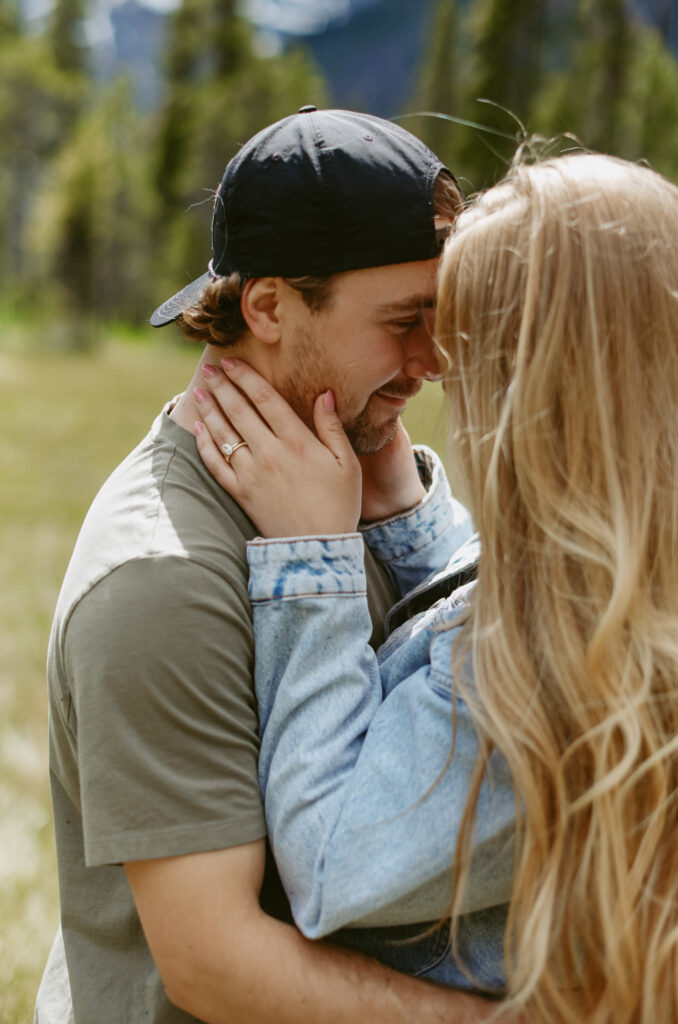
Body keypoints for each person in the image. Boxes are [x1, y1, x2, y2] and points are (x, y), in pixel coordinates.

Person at [35, 106, 516, 1024]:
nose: (436, 360)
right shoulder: (162, 581)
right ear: (266, 306)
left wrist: (399, 515)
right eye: (406, 321)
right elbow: (217, 967)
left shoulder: (351, 484)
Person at [193, 150, 678, 1022]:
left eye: (462, 337)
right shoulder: (631, 595)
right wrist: (403, 518)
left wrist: (312, 555)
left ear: (537, 392)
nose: (436, 367)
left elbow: (332, 863)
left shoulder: (537, 662)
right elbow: (492, 607)